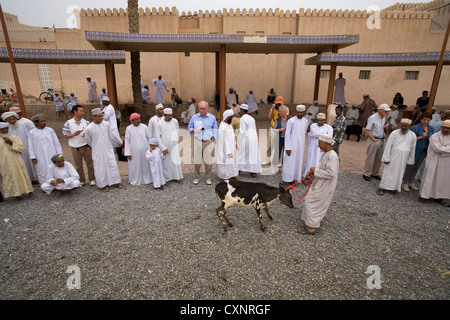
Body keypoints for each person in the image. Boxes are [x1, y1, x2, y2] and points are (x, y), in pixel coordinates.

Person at [300, 133, 339, 235]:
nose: (318, 146)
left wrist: (315, 170)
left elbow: (331, 173)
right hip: (320, 182)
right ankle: (311, 222)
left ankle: (311, 227)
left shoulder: (332, 156)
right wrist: (313, 172)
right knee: (313, 202)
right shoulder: (326, 153)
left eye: (320, 144)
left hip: (325, 185)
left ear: (326, 143)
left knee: (312, 203)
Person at [84, 108, 125, 192]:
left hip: (108, 148)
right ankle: (103, 184)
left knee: (112, 164)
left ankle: (116, 182)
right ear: (94, 117)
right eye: (99, 116)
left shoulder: (106, 124)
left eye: (102, 116)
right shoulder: (89, 128)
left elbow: (111, 136)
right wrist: (96, 146)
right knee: (100, 167)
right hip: (97, 150)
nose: (101, 118)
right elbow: (88, 140)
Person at [377, 118, 416, 196]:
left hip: (403, 159)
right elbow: (388, 145)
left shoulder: (412, 135)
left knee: (399, 174)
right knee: (388, 172)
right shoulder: (394, 133)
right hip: (393, 157)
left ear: (409, 126)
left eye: (405, 126)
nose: (403, 127)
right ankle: (383, 187)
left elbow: (412, 148)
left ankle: (393, 188)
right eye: (402, 126)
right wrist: (386, 158)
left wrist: (410, 160)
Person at [0, 122, 36, 204]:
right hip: (5, 164)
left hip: (17, 162)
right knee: (11, 179)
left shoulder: (14, 138)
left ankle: (30, 192)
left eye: (6, 128)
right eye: (2, 129)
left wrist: (11, 143)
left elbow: (21, 148)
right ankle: (17, 196)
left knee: (23, 176)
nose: (5, 130)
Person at [62, 104, 96, 187]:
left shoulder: (86, 122)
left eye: (83, 111)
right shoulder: (68, 123)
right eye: (80, 111)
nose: (82, 113)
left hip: (86, 146)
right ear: (75, 112)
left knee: (90, 164)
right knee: (78, 165)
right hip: (75, 147)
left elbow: (91, 132)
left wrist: (87, 135)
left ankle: (92, 179)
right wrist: (74, 134)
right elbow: (65, 135)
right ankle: (82, 180)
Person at [419, 120, 450, 207]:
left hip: (446, 163)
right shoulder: (434, 136)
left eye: (448, 128)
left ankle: (439, 197)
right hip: (434, 161)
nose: (446, 130)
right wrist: (447, 149)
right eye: (444, 128)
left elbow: (441, 149)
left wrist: (444, 149)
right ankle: (424, 195)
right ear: (441, 127)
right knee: (429, 178)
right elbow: (437, 149)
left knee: (442, 179)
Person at [1, 111, 38, 184]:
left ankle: (32, 178)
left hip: (25, 148)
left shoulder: (22, 125)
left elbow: (28, 136)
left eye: (13, 119)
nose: (12, 121)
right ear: (6, 120)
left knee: (28, 163)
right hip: (13, 150)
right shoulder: (5, 129)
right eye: (10, 120)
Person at [402, 112, 434, 192]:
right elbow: (410, 140)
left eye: (428, 120)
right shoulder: (415, 128)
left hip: (424, 150)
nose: (426, 121)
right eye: (425, 119)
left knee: (417, 167)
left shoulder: (431, 128)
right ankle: (405, 182)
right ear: (421, 119)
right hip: (415, 150)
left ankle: (411, 181)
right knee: (410, 166)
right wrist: (421, 137)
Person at [188, 100, 218, 185]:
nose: (202, 110)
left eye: (204, 108)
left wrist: (214, 139)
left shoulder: (212, 118)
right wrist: (193, 130)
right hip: (197, 141)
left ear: (207, 108)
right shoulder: (194, 117)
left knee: (208, 161)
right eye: (200, 108)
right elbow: (189, 128)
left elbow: (215, 129)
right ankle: (196, 177)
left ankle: (208, 178)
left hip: (208, 141)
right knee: (197, 161)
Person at [28, 114, 63, 185]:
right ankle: (44, 185)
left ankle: (57, 184)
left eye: (44, 121)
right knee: (41, 170)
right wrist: (33, 156)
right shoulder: (32, 132)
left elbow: (56, 143)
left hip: (52, 154)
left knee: (55, 169)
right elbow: (30, 145)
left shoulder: (50, 130)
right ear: (37, 123)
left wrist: (60, 154)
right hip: (39, 156)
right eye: (42, 121)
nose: (44, 123)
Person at [362, 104, 391, 181]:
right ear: (380, 110)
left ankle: (375, 173)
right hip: (374, 139)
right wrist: (373, 139)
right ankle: (367, 173)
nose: (387, 112)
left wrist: (386, 126)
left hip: (381, 139)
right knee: (370, 157)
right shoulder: (372, 118)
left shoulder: (383, 118)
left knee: (379, 157)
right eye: (385, 111)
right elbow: (368, 129)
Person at [282, 105, 308, 186]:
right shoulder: (291, 121)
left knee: (297, 162)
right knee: (289, 161)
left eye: (301, 112)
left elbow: (303, 132)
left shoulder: (305, 121)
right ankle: (287, 179)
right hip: (291, 146)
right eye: (298, 112)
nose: (299, 114)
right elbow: (287, 134)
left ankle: (294, 178)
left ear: (304, 112)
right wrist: (288, 147)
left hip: (300, 146)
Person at [156, 108, 184, 185]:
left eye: (171, 115)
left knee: (176, 161)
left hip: (174, 145)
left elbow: (177, 130)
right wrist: (163, 148)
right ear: (164, 115)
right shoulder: (160, 124)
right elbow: (158, 137)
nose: (170, 117)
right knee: (166, 163)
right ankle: (166, 179)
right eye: (168, 116)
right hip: (165, 146)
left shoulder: (175, 121)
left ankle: (177, 177)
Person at [124, 113, 152, 186]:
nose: (138, 121)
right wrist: (128, 153)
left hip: (145, 150)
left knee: (145, 165)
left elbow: (149, 138)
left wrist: (151, 148)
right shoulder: (129, 128)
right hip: (133, 151)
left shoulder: (144, 127)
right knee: (134, 165)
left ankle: (147, 179)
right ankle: (135, 180)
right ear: (132, 121)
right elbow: (127, 141)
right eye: (136, 120)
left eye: (139, 119)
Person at [303, 113, 333, 179]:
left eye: (321, 120)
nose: (319, 122)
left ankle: (318, 176)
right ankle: (307, 176)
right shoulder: (313, 125)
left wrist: (321, 136)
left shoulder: (329, 127)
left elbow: (329, 137)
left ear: (324, 120)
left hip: (322, 149)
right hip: (313, 148)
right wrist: (324, 135)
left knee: (320, 161)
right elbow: (315, 134)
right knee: (310, 161)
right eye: (318, 120)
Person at [262, 96, 289, 165]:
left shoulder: (286, 108)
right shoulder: (273, 108)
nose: (279, 105)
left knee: (279, 146)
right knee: (270, 145)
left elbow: (285, 117)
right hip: (273, 128)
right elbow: (269, 117)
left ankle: (279, 161)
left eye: (280, 103)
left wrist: (279, 110)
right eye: (278, 103)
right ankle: (267, 159)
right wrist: (272, 108)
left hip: (281, 130)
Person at [237, 104, 262, 177]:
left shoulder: (243, 118)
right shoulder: (252, 118)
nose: (239, 112)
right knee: (252, 154)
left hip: (247, 138)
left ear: (242, 110)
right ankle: (253, 171)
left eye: (240, 110)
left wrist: (238, 138)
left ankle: (238, 169)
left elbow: (242, 131)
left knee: (243, 154)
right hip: (254, 137)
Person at [216, 109, 239, 181]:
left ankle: (233, 175)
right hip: (225, 149)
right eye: (232, 117)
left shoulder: (228, 125)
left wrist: (235, 144)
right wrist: (228, 151)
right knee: (225, 162)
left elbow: (232, 136)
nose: (233, 118)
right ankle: (224, 177)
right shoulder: (222, 126)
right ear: (228, 117)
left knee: (232, 161)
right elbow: (223, 141)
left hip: (231, 147)